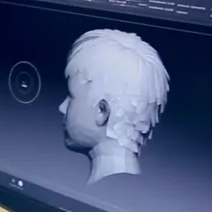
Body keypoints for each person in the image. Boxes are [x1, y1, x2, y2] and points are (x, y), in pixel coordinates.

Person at [59, 28, 169, 185]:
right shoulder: (133, 190)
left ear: (101, 111)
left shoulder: (103, 191)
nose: (62, 107)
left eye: (71, 96)